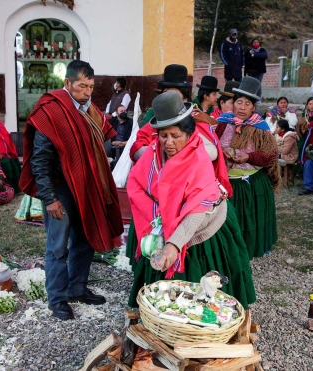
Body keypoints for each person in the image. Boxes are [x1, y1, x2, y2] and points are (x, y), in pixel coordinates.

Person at [126, 91, 256, 310]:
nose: (168, 142)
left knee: (201, 287)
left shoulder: (198, 158)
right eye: (163, 135)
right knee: (166, 294)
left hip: (201, 226)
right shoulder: (153, 154)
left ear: (188, 132)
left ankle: (203, 318)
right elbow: (136, 184)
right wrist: (158, 224)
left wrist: (174, 243)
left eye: (175, 136)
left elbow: (198, 208)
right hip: (164, 228)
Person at [19, 60, 123, 320]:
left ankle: (77, 288)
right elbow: (39, 161)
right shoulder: (51, 111)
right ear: (67, 84)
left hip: (86, 187)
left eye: (91, 86)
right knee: (58, 246)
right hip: (59, 189)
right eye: (81, 86)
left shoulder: (91, 112)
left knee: (85, 239)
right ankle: (57, 299)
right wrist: (49, 198)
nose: (87, 92)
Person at [216, 76, 280, 259]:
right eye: (238, 102)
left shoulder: (260, 127)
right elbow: (212, 145)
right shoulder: (223, 122)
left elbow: (270, 155)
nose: (242, 107)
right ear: (233, 103)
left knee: (252, 219)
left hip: (251, 181)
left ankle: (251, 247)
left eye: (247, 104)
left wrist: (249, 156)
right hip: (227, 181)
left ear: (253, 107)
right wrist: (223, 151)